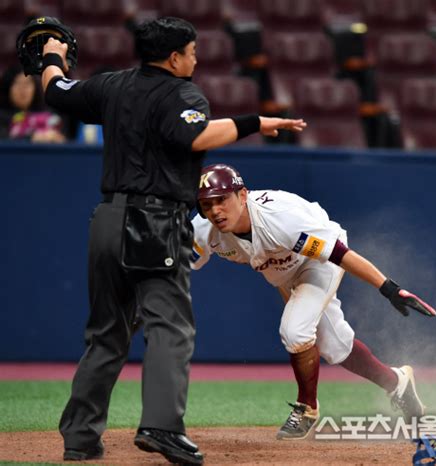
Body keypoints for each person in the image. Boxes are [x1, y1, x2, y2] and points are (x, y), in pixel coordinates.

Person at [36, 16, 306, 465]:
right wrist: (256, 121)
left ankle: (80, 439)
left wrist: (50, 54)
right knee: (171, 329)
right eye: (193, 51)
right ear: (175, 56)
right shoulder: (183, 93)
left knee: (106, 335)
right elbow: (195, 134)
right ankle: (161, 427)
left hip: (106, 220)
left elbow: (55, 91)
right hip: (154, 222)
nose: (196, 58)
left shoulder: (111, 85)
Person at [191, 163, 436, 440]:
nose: (215, 211)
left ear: (243, 195)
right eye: (206, 204)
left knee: (295, 331)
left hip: (317, 263)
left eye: (222, 199)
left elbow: (339, 255)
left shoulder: (280, 219)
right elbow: (176, 268)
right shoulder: (204, 229)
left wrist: (389, 288)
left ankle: (307, 408)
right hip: (283, 272)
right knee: (335, 347)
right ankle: (398, 384)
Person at [0, 65, 65, 142]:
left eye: (27, 84)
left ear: (35, 87)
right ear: (8, 87)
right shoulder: (2, 117)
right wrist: (31, 138)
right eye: (17, 83)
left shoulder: (49, 115)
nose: (22, 89)